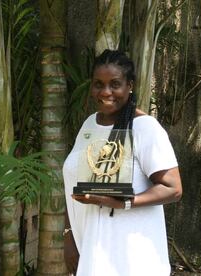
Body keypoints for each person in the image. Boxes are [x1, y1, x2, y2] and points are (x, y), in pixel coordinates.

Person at [62, 49, 182, 276]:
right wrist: (69, 237)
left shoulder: (146, 129)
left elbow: (173, 188)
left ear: (130, 86)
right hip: (92, 250)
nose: (106, 92)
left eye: (114, 84)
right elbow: (71, 184)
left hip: (130, 256)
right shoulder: (89, 124)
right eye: (98, 84)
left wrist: (122, 203)